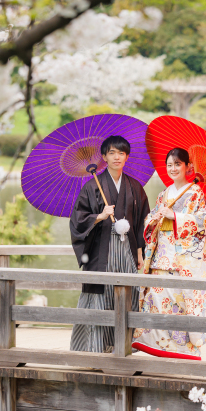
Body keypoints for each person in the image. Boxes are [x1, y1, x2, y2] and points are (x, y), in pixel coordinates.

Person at [132, 147, 206, 360]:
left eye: (177, 164)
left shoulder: (196, 192)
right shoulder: (164, 193)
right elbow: (150, 220)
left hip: (182, 260)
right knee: (157, 300)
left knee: (181, 303)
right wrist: (155, 219)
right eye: (169, 165)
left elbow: (203, 221)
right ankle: (155, 345)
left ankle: (183, 349)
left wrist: (176, 216)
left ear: (188, 167)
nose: (172, 168)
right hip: (161, 255)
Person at [69, 135, 150, 353]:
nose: (116, 157)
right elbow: (77, 220)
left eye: (121, 153)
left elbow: (143, 220)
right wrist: (99, 216)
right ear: (104, 157)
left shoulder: (135, 187)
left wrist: (141, 252)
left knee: (128, 295)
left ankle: (124, 344)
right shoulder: (91, 187)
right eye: (112, 153)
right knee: (100, 296)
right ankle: (95, 347)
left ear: (127, 157)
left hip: (128, 251)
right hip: (101, 252)